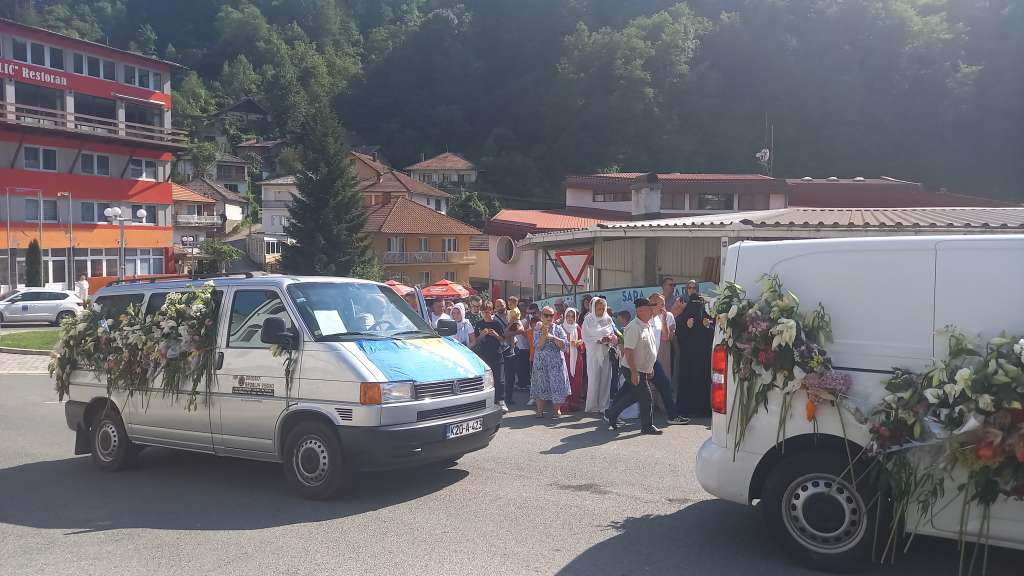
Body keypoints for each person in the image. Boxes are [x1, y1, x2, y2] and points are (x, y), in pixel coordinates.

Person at [604, 298, 661, 435]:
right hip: (632, 369)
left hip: (641, 369)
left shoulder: (646, 325)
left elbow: (648, 349)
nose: (652, 310)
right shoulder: (634, 327)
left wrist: (650, 367)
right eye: (649, 308)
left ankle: (612, 413)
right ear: (640, 310)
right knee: (646, 397)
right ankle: (647, 426)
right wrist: (634, 373)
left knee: (635, 396)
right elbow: (628, 352)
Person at [648, 293, 688, 424]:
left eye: (664, 304)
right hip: (645, 359)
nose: (663, 307)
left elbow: (665, 337)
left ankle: (672, 415)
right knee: (631, 390)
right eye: (661, 305)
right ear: (653, 304)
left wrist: (664, 319)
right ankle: (612, 412)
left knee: (665, 385)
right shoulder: (645, 318)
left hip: (656, 358)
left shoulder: (661, 318)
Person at [675, 291, 715, 418]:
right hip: (688, 358)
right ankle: (686, 409)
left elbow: (715, 336)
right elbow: (679, 337)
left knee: (703, 382)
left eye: (699, 304)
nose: (696, 308)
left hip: (704, 357)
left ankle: (703, 408)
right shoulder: (682, 318)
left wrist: (708, 327)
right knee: (687, 381)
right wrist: (687, 327)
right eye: (693, 304)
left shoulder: (708, 317)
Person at [530, 306, 571, 418]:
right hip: (541, 363)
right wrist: (544, 334)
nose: (549, 318)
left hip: (556, 363)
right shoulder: (537, 329)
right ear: (541, 316)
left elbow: (565, 346)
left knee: (557, 386)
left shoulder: (558, 329)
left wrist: (553, 338)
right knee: (541, 385)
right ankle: (540, 410)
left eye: (551, 315)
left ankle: (557, 410)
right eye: (546, 315)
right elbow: (539, 346)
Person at [471, 301, 508, 412]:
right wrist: (482, 335)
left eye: (488, 311)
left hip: (496, 354)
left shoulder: (496, 324)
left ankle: (501, 400)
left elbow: (503, 339)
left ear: (492, 311)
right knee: (485, 379)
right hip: (483, 355)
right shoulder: (479, 324)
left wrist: (496, 335)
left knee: (499, 379)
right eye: (484, 312)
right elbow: (475, 341)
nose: (486, 314)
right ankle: (485, 400)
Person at [582, 297, 616, 413]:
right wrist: (597, 340)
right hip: (593, 353)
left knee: (606, 379)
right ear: (593, 308)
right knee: (594, 378)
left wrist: (609, 339)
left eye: (603, 308)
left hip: (606, 352)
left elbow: (612, 334)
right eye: (598, 309)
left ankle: (604, 406)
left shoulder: (608, 319)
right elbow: (586, 337)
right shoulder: (588, 320)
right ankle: (592, 406)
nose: (601, 311)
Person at [560, 308, 586, 411]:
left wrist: (579, 344)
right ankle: (565, 403)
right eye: (568, 316)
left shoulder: (577, 327)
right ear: (565, 316)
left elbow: (583, 343)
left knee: (576, 380)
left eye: (572, 316)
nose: (570, 318)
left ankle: (574, 402)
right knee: (565, 380)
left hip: (576, 358)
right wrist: (566, 344)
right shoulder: (560, 328)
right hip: (564, 357)